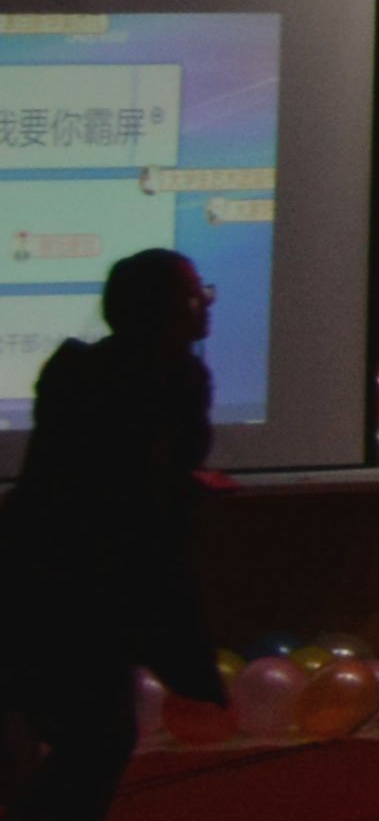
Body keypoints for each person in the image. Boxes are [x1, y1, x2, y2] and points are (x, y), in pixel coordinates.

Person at [0, 251, 220, 821]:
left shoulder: (91, 372)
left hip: (57, 571)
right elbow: (120, 491)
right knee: (98, 736)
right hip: (65, 580)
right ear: (169, 309)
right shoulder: (149, 381)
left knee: (84, 733)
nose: (207, 304)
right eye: (196, 293)